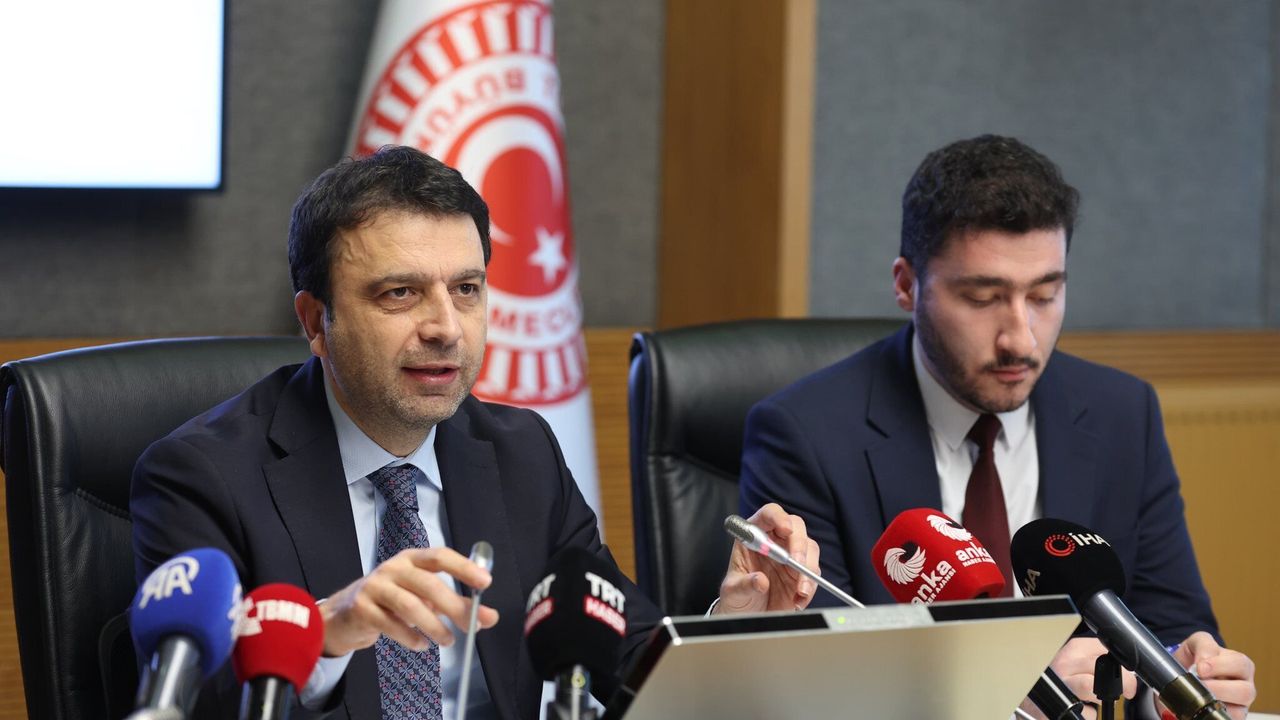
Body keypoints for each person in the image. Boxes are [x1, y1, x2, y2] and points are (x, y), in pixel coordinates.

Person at [131, 145, 819, 720]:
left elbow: (623, 654)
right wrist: (326, 632)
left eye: (466, 289)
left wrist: (729, 626)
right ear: (315, 320)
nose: (446, 328)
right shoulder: (203, 475)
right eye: (400, 293)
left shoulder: (521, 452)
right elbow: (194, 701)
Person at [739, 135, 1256, 719]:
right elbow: (807, 680)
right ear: (907, 285)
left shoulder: (1121, 412)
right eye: (984, 298)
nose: (1021, 338)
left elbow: (1171, 621)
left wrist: (1184, 677)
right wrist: (1006, 698)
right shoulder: (804, 433)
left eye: (1045, 294)